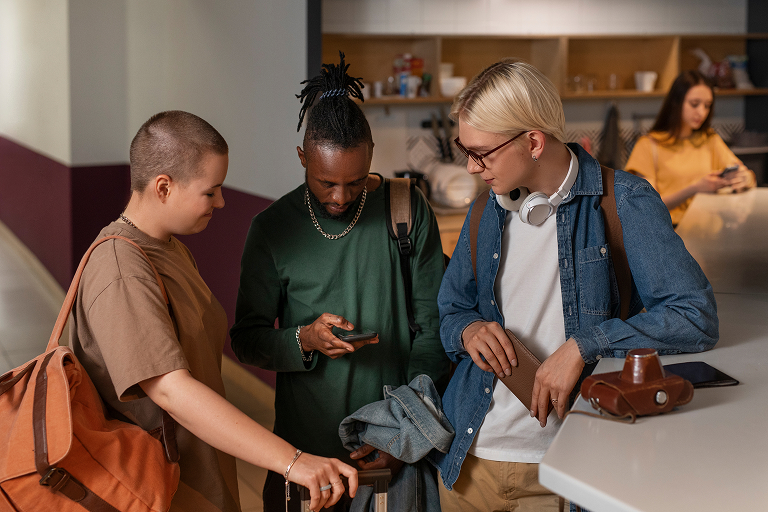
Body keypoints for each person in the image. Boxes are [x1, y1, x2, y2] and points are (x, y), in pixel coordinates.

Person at [434, 60, 719, 511]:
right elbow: (450, 311)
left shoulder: (623, 200)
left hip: (566, 465)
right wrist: (467, 330)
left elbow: (694, 317)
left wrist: (587, 345)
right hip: (468, 463)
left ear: (532, 141)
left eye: (482, 153)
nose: (472, 167)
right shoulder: (483, 211)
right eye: (464, 149)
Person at [69, 111, 358, 512]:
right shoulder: (122, 270)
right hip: (152, 487)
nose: (221, 202)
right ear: (164, 187)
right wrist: (293, 461)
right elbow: (171, 388)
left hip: (197, 468)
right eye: (211, 191)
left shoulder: (167, 248)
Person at [230, 53, 451, 511]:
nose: (340, 197)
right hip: (303, 451)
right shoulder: (273, 229)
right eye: (325, 182)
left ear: (371, 156)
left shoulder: (405, 210)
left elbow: (434, 328)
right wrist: (304, 339)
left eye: (354, 183)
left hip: (390, 448)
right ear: (301, 157)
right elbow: (247, 341)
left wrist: (404, 427)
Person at [625, 70, 757, 225]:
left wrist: (746, 178)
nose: (701, 112)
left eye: (707, 106)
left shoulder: (709, 139)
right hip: (672, 234)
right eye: (694, 104)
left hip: (710, 233)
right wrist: (694, 188)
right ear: (676, 102)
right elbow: (649, 205)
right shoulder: (649, 145)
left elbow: (743, 172)